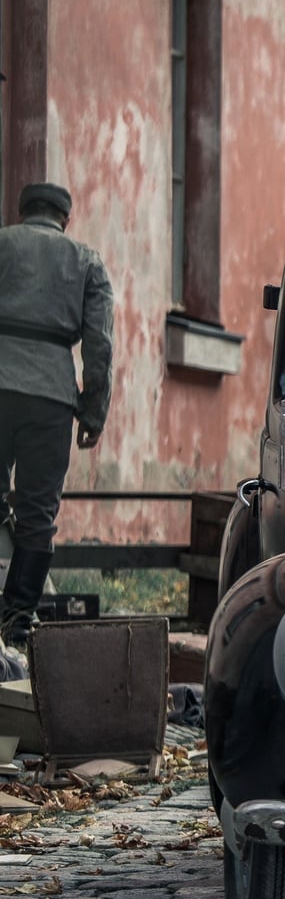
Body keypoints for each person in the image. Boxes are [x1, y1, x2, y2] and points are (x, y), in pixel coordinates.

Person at [0, 183, 113, 646]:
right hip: (50, 396)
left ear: (23, 211)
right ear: (64, 219)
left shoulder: (2, 243)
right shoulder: (86, 261)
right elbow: (99, 343)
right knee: (38, 512)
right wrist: (93, 411)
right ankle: (17, 621)